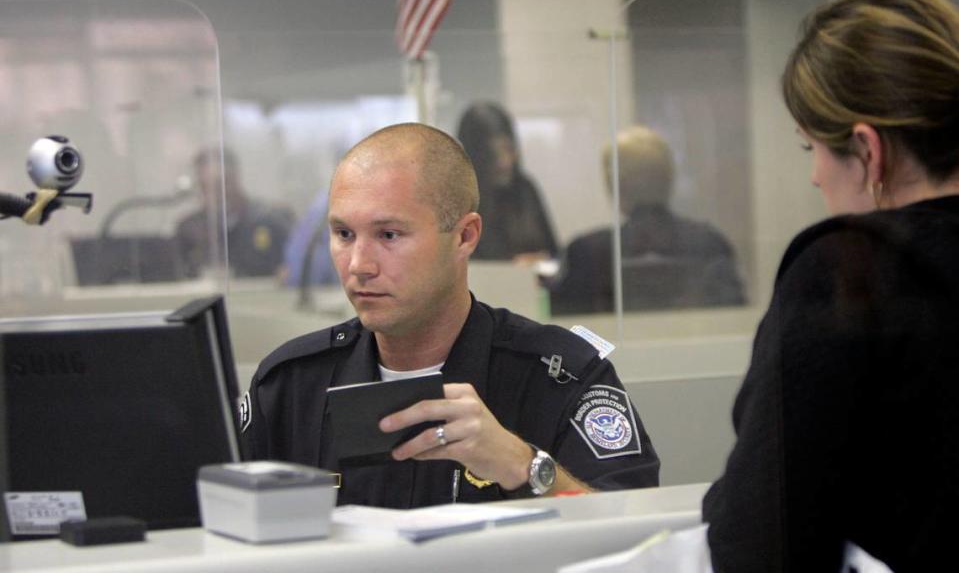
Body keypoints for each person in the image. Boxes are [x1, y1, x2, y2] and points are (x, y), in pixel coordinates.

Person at [240, 123, 659, 508]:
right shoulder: (290, 386)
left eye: (389, 235)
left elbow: (637, 537)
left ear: (464, 236)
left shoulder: (558, 378)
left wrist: (524, 466)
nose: (359, 264)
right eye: (344, 234)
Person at [702, 0, 959, 571]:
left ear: (870, 151)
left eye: (810, 148)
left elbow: (764, 536)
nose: (817, 176)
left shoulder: (850, 270)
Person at [549, 125, 745, 314]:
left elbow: (569, 332)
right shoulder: (710, 244)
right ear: (668, 179)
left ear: (616, 185)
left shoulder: (586, 253)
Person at [456, 101, 559, 262]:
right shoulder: (459, 197)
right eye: (494, 154)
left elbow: (554, 253)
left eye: (508, 149)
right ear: (478, 156)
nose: (506, 162)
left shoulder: (525, 189)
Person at [174, 147, 292, 278]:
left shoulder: (270, 219)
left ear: (235, 177)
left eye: (220, 184)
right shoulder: (189, 229)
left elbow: (294, 267)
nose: (215, 194)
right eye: (205, 186)